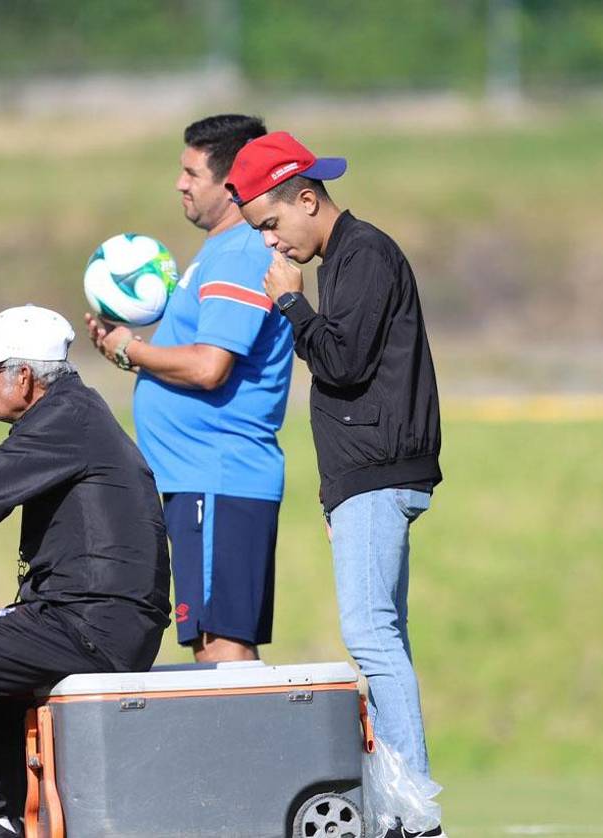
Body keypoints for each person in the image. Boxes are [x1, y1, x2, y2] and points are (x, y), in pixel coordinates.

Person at [227, 133, 446, 837]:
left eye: (270, 223)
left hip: (379, 475)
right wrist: (337, 492)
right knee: (386, 637)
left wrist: (292, 306)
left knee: (370, 634)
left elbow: (343, 363)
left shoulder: (363, 255)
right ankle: (398, 804)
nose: (272, 243)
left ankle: (412, 811)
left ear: (307, 197)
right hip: (367, 477)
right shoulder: (348, 259)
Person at [0, 305, 171, 838]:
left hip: (92, 627)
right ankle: (12, 812)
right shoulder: (75, 414)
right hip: (99, 619)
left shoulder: (64, 422)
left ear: (24, 376)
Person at [85, 114, 293, 663]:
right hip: (201, 482)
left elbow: (209, 367)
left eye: (190, 172)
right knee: (209, 641)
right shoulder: (220, 254)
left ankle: (251, 752)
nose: (179, 183)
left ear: (230, 184)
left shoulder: (239, 254)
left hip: (216, 478)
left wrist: (130, 351)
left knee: (222, 645)